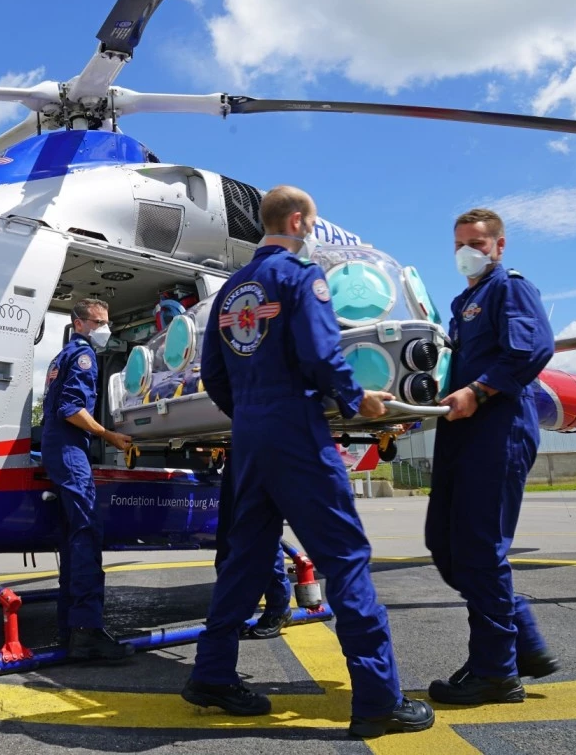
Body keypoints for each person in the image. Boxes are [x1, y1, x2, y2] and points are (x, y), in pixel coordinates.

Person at [180, 185, 434, 740]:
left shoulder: (228, 294)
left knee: (244, 560)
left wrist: (250, 414)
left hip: (248, 435)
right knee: (345, 557)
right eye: (311, 224)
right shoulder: (300, 277)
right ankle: (376, 699)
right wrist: (356, 400)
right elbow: (323, 355)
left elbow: (215, 377)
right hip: (296, 434)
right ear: (297, 221)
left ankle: (213, 674)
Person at [425, 207, 557, 705]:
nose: (467, 252)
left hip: (497, 430)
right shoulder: (463, 302)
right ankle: (522, 636)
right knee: (444, 544)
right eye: (459, 243)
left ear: (499, 246)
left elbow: (532, 349)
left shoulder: (510, 288)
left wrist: (478, 393)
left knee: (480, 551)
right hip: (460, 433)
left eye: (477, 243)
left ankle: (496, 672)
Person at [41, 297, 136, 660]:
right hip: (69, 449)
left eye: (105, 322)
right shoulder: (83, 357)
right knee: (86, 533)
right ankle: (87, 632)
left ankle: (71, 628)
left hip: (58, 449)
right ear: (78, 323)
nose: (104, 329)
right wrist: (110, 436)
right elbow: (71, 409)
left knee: (72, 537)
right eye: (97, 322)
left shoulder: (60, 356)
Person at [213, 446, 293, 639]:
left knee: (262, 536)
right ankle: (232, 611)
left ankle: (278, 607)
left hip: (267, 453)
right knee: (228, 536)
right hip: (238, 454)